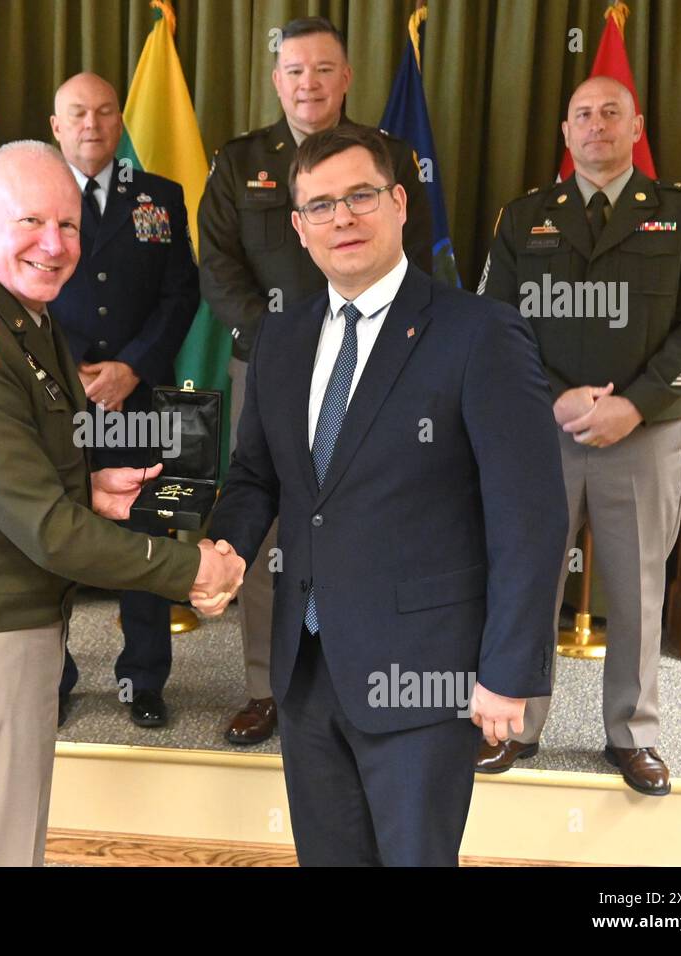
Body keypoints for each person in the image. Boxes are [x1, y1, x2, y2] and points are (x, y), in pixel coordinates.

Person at [207, 126, 568, 865]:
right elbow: (255, 477)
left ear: (399, 204)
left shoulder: (480, 333)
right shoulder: (279, 337)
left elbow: (530, 518)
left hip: (424, 676)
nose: (342, 218)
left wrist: (507, 673)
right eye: (320, 206)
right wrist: (225, 550)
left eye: (360, 196)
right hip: (306, 671)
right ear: (300, 229)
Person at [0, 141, 245, 866]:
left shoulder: (25, 320)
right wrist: (189, 570)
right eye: (32, 223)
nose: (55, 246)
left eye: (71, 225)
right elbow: (47, 531)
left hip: (7, 622)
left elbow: (9, 485)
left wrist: (89, 491)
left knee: (6, 845)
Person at [476, 77, 681, 795]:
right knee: (525, 581)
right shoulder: (525, 218)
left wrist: (637, 405)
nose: (596, 126)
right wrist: (553, 398)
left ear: (635, 126)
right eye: (583, 115)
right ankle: (515, 725)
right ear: (566, 132)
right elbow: (494, 324)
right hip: (540, 434)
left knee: (640, 588)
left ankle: (634, 735)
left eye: (610, 113)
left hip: (643, 437)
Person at [198, 16, 434, 745]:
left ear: (347, 77)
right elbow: (217, 265)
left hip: (373, 366)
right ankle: (268, 686)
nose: (309, 83)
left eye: (324, 69)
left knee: (367, 516)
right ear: (277, 81)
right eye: (295, 71)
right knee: (268, 528)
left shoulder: (390, 156)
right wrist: (268, 344)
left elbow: (417, 256)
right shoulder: (240, 162)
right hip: (270, 366)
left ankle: (370, 670)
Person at [48, 72, 200, 728]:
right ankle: (53, 676)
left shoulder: (159, 196)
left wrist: (130, 368)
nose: (92, 123)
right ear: (56, 126)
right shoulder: (39, 192)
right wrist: (75, 368)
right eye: (77, 113)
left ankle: (144, 678)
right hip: (57, 394)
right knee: (50, 536)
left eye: (105, 112)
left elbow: (181, 294)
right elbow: (20, 284)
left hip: (138, 399)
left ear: (120, 123)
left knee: (145, 533)